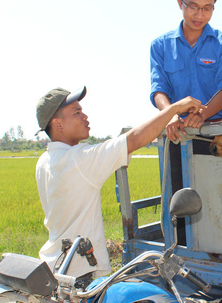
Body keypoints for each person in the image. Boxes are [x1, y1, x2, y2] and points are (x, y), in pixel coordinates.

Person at [35, 86, 202, 280]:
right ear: (58, 124)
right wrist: (174, 109)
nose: (85, 116)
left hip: (55, 264)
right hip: (81, 271)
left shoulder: (45, 160)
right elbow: (135, 139)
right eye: (77, 112)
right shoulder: (77, 160)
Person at [150, 0, 222, 240]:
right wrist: (170, 114)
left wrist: (204, 115)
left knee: (218, 202)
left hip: (214, 136)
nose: (200, 15)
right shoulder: (161, 46)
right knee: (180, 201)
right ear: (180, 4)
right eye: (193, 7)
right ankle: (182, 257)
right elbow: (158, 90)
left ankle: (220, 255)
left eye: (207, 8)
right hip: (177, 136)